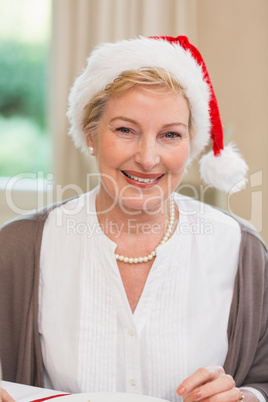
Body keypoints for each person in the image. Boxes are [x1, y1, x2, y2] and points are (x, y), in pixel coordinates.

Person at [0, 35, 267, 402]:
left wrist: (246, 397)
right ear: (90, 135)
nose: (147, 157)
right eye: (126, 130)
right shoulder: (18, 248)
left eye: (170, 135)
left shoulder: (242, 249)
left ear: (191, 146)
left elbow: (263, 379)